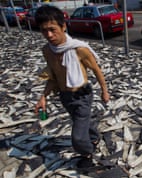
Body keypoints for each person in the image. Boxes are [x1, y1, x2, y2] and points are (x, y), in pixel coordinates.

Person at [34, 5, 110, 168]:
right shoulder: (47, 51)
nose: (49, 35)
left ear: (63, 26)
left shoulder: (79, 49)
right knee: (80, 121)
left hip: (82, 95)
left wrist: (105, 91)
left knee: (78, 137)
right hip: (65, 96)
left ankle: (87, 153)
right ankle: (95, 136)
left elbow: (97, 70)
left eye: (52, 29)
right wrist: (43, 97)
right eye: (44, 30)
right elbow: (53, 77)